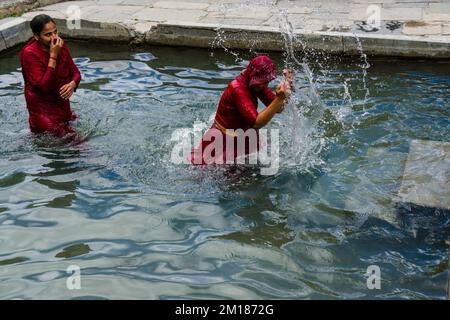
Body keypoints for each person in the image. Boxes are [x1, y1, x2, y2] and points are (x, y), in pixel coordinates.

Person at [190, 55, 293, 165]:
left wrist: (287, 89)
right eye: (263, 82)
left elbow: (278, 108)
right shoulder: (238, 88)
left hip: (244, 140)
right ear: (254, 76)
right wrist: (279, 99)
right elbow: (256, 122)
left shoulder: (256, 84)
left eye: (266, 82)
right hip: (224, 142)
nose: (265, 85)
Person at [20, 14, 81, 138]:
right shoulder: (29, 53)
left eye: (55, 32)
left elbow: (76, 73)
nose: (54, 37)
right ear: (36, 36)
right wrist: (53, 55)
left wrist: (72, 84)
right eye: (48, 34)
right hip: (43, 112)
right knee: (76, 143)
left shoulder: (60, 45)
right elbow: (44, 87)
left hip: (62, 106)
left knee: (76, 137)